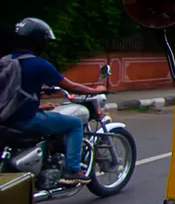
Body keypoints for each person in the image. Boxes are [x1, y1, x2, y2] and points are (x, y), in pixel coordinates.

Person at [3, 18, 107, 185]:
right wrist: (96, 90)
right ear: (38, 41)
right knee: (74, 123)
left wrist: (39, 105)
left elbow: (12, 92)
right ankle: (72, 171)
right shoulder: (38, 64)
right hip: (25, 120)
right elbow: (71, 86)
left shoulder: (6, 61)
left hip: (6, 118)